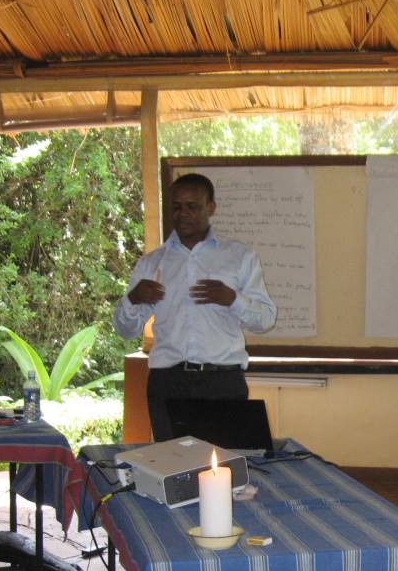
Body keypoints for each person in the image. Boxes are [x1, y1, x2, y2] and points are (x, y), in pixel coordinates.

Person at [114, 173, 277, 441]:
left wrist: (232, 299)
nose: (183, 214)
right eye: (177, 207)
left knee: (227, 466)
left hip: (221, 381)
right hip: (168, 382)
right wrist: (133, 299)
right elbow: (126, 330)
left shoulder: (239, 257)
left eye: (193, 206)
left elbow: (266, 319)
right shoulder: (152, 263)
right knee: (174, 469)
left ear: (210, 208)